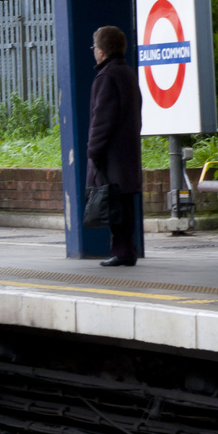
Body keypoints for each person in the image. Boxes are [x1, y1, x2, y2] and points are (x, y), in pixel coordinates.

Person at [87, 24, 143, 266]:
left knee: (114, 203)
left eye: (94, 46)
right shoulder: (127, 73)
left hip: (112, 154)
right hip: (127, 149)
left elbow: (102, 119)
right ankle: (125, 250)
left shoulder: (106, 76)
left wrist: (93, 150)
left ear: (101, 51)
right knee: (123, 204)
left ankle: (122, 252)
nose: (94, 51)